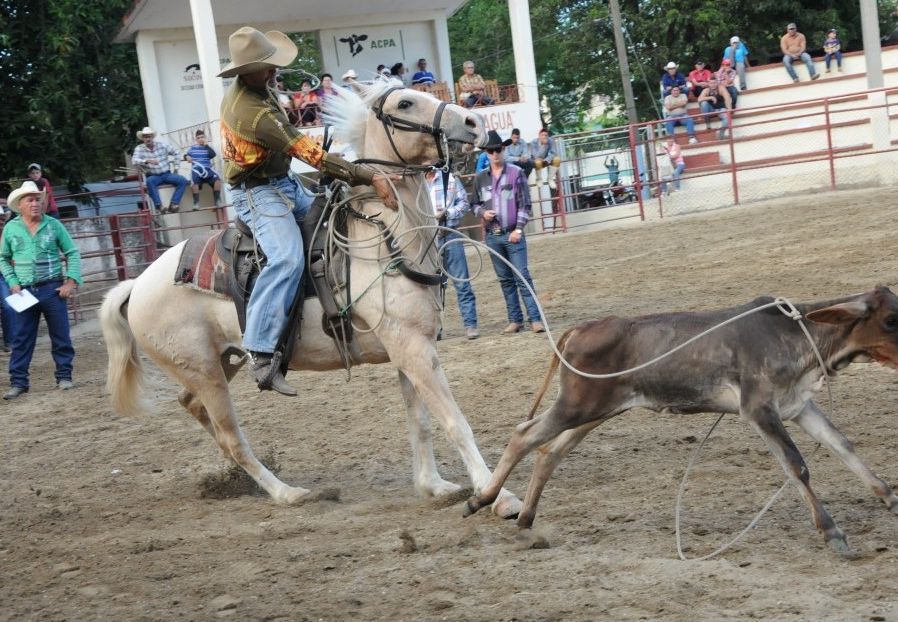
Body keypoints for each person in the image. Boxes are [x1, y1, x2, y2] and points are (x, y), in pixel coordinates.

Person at [217, 26, 396, 395]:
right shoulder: (251, 112)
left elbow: (298, 146)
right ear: (245, 71)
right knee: (285, 258)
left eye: (270, 64)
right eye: (265, 66)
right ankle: (261, 350)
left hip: (283, 183)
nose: (272, 71)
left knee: (341, 218)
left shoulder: (259, 90)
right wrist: (365, 174)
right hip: (258, 193)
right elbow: (306, 152)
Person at [0, 181, 82, 399]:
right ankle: (19, 382)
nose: (36, 203)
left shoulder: (54, 225)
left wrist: (70, 282)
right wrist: (12, 281)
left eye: (38, 199)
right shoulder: (11, 228)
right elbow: (3, 258)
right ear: (21, 204)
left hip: (52, 288)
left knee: (61, 336)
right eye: (31, 200)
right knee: (21, 338)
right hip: (24, 291)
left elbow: (72, 252)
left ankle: (64, 376)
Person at [471, 130, 543, 334]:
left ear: (503, 149)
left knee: (522, 277)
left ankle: (535, 319)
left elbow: (525, 205)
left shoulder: (515, 173)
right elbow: (474, 204)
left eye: (498, 149)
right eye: (491, 150)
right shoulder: (480, 178)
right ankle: (515, 319)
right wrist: (483, 213)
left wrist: (519, 229)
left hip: (512, 233)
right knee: (505, 280)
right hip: (493, 236)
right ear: (486, 152)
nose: (495, 154)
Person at [424, 170, 479, 339]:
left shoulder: (450, 179)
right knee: (432, 287)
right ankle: (436, 328)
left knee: (462, 283)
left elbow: (464, 204)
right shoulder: (416, 182)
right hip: (427, 240)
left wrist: (447, 213)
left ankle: (470, 325)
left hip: (450, 235)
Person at [131, 126, 189, 213]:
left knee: (183, 180)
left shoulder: (162, 145)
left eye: (149, 136)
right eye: (146, 137)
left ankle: (174, 203)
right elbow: (134, 161)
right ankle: (159, 206)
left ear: (152, 137)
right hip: (153, 175)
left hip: (166, 174)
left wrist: (176, 168)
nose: (148, 139)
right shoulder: (139, 148)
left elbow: (176, 152)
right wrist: (147, 161)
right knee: (150, 182)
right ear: (143, 138)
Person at [184, 129, 223, 208]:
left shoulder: (207, 148)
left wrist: (206, 145)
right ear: (196, 139)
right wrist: (186, 156)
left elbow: (213, 155)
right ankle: (196, 203)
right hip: (197, 171)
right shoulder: (193, 149)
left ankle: (218, 200)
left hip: (207, 170)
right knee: (194, 181)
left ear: (205, 138)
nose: (200, 139)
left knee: (217, 179)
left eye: (202, 137)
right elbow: (186, 155)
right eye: (198, 138)